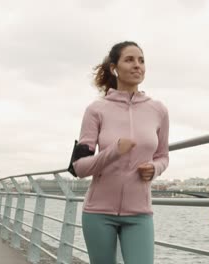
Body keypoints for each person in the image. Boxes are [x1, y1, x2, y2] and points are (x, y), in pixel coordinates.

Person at [70, 41, 169, 264]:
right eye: (130, 60)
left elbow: (163, 156)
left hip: (140, 213)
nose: (137, 65)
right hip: (98, 212)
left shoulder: (159, 110)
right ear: (115, 68)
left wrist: (154, 169)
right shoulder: (96, 109)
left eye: (141, 61)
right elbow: (80, 167)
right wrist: (114, 151)